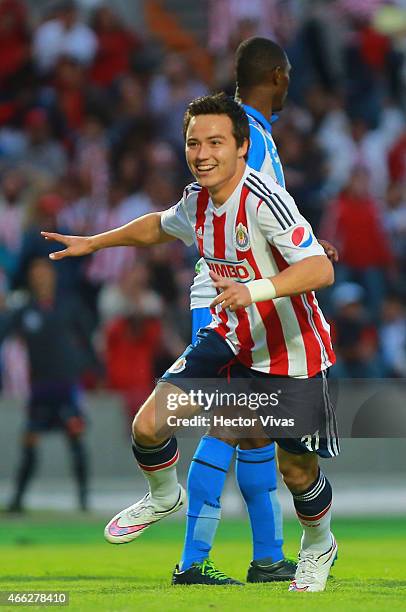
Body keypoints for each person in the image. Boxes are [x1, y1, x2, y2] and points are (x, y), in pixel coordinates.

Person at [42, 93, 339, 592]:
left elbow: (321, 268)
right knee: (149, 426)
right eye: (193, 142)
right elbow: (157, 226)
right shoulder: (197, 201)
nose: (202, 153)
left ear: (242, 147)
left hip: (292, 351)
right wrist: (94, 242)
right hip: (231, 340)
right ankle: (164, 496)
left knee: (296, 470)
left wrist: (254, 288)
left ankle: (319, 545)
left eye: (216, 142)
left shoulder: (264, 201)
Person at [182, 37, 338, 584]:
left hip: (226, 295)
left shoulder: (244, 129)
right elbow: (255, 221)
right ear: (277, 75)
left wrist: (308, 250)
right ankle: (195, 561)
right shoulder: (248, 137)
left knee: (250, 430)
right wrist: (302, 258)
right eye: (288, 74)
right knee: (227, 425)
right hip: (230, 301)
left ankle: (267, 557)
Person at [0, 258, 98, 512]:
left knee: (76, 439)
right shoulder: (25, 310)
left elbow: (88, 337)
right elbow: (4, 332)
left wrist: (89, 368)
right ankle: (18, 500)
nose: (41, 278)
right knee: (29, 440)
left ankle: (84, 499)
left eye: (44, 272)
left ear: (52, 276)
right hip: (40, 388)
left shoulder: (69, 305)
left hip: (66, 386)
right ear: (31, 278)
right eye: (36, 273)